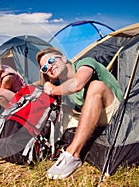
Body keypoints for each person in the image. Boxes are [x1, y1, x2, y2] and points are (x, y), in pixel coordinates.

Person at [36, 47, 122, 179]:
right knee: (58, 108)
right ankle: (39, 146)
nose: (49, 67)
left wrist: (52, 89)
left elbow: (77, 84)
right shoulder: (62, 85)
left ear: (64, 58)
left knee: (95, 86)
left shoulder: (85, 63)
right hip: (98, 117)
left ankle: (72, 155)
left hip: (116, 113)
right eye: (44, 68)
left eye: (51, 60)